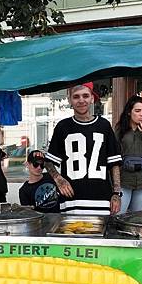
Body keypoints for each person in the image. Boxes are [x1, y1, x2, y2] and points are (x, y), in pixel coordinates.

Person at [44, 83, 122, 215]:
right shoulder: (63, 127)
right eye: (76, 96)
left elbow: (114, 163)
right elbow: (48, 161)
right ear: (69, 100)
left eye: (85, 96)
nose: (81, 100)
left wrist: (116, 193)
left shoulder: (104, 125)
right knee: (71, 235)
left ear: (92, 98)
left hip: (101, 200)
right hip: (71, 201)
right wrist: (59, 179)